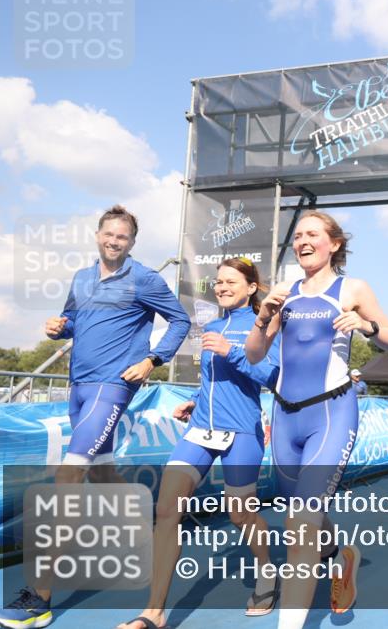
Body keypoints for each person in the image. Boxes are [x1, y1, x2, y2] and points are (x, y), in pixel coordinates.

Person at [0, 205, 191, 629]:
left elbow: (180, 320)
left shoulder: (145, 279)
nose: (114, 242)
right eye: (109, 235)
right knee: (101, 474)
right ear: (98, 235)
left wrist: (153, 359)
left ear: (132, 243)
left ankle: (38, 600)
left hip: (112, 385)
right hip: (79, 388)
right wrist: (57, 327)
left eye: (123, 237)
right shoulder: (82, 277)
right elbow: (73, 321)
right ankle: (147, 529)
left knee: (68, 476)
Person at [245, 210, 388, 629]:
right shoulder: (284, 292)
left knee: (299, 523)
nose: (302, 241)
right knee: (303, 515)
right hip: (284, 415)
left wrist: (365, 325)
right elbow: (255, 353)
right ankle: (339, 556)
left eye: (312, 234)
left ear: (334, 243)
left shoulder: (352, 287)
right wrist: (262, 318)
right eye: (298, 236)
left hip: (331, 413)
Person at [116, 258, 280, 629]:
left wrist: (231, 351)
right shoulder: (214, 324)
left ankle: (267, 571)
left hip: (241, 433)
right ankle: (154, 613)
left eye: (230, 281)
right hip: (201, 430)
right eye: (218, 282)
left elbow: (273, 376)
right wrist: (198, 399)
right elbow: (215, 380)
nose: (221, 287)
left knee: (240, 514)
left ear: (252, 287)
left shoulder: (265, 326)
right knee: (166, 510)